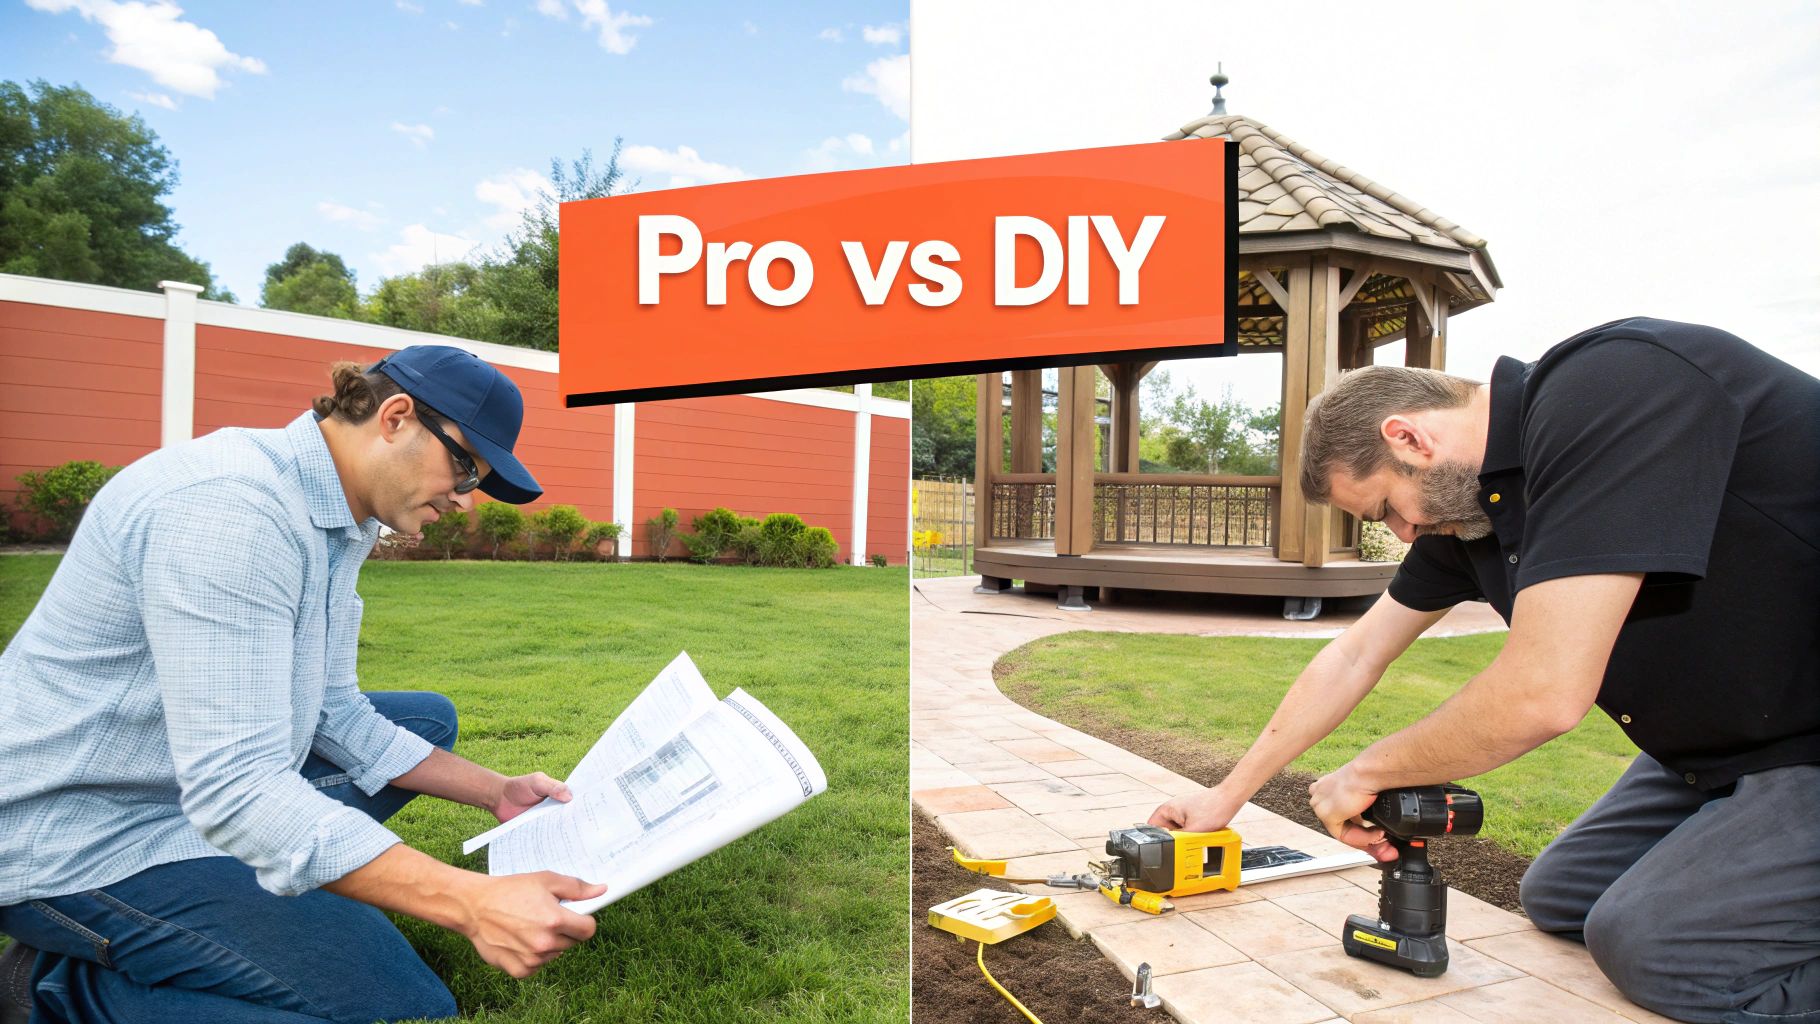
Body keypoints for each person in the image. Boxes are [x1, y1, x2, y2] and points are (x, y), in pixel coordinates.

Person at [1149, 319, 1819, 1023]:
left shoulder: (1614, 389)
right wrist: (1226, 797)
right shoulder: (1471, 512)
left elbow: (1544, 693)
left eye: (1386, 510)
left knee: (1657, 950)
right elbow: (1356, 653)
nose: (1402, 535)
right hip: (1722, 750)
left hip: (1807, 736)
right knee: (1562, 896)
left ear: (1409, 438)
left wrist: (1369, 771)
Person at [0, 346, 608, 1024]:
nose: (465, 499)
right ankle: (53, 992)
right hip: (75, 830)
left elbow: (332, 709)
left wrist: (498, 792)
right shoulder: (232, 513)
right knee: (395, 1005)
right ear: (396, 417)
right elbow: (236, 787)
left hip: (175, 782)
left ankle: (199, 902)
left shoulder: (337, 514)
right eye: (465, 467)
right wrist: (469, 900)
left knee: (425, 721)